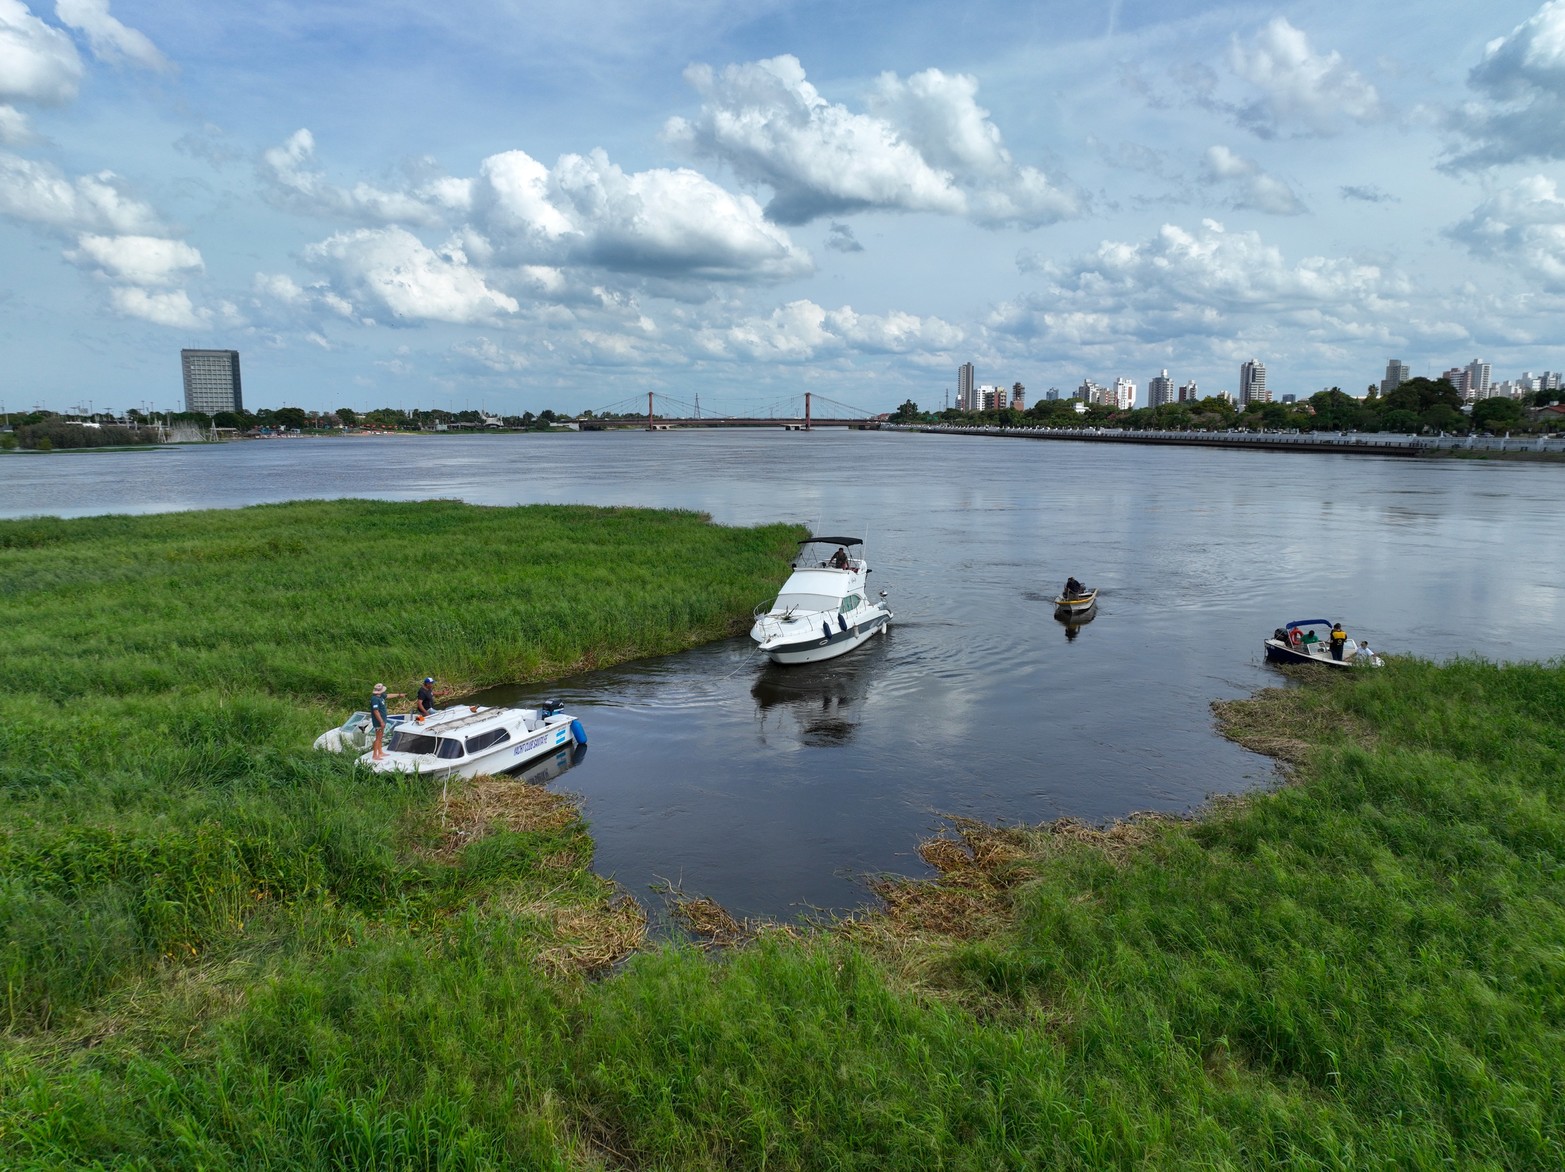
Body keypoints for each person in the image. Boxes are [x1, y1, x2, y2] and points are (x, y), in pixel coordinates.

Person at [369, 682, 405, 760]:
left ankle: (380, 752)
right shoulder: (375, 699)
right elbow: (376, 711)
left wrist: (398, 695)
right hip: (378, 721)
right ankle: (375, 755)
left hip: (383, 719)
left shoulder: (381, 696)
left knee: (381, 737)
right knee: (378, 737)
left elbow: (388, 695)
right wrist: (381, 721)